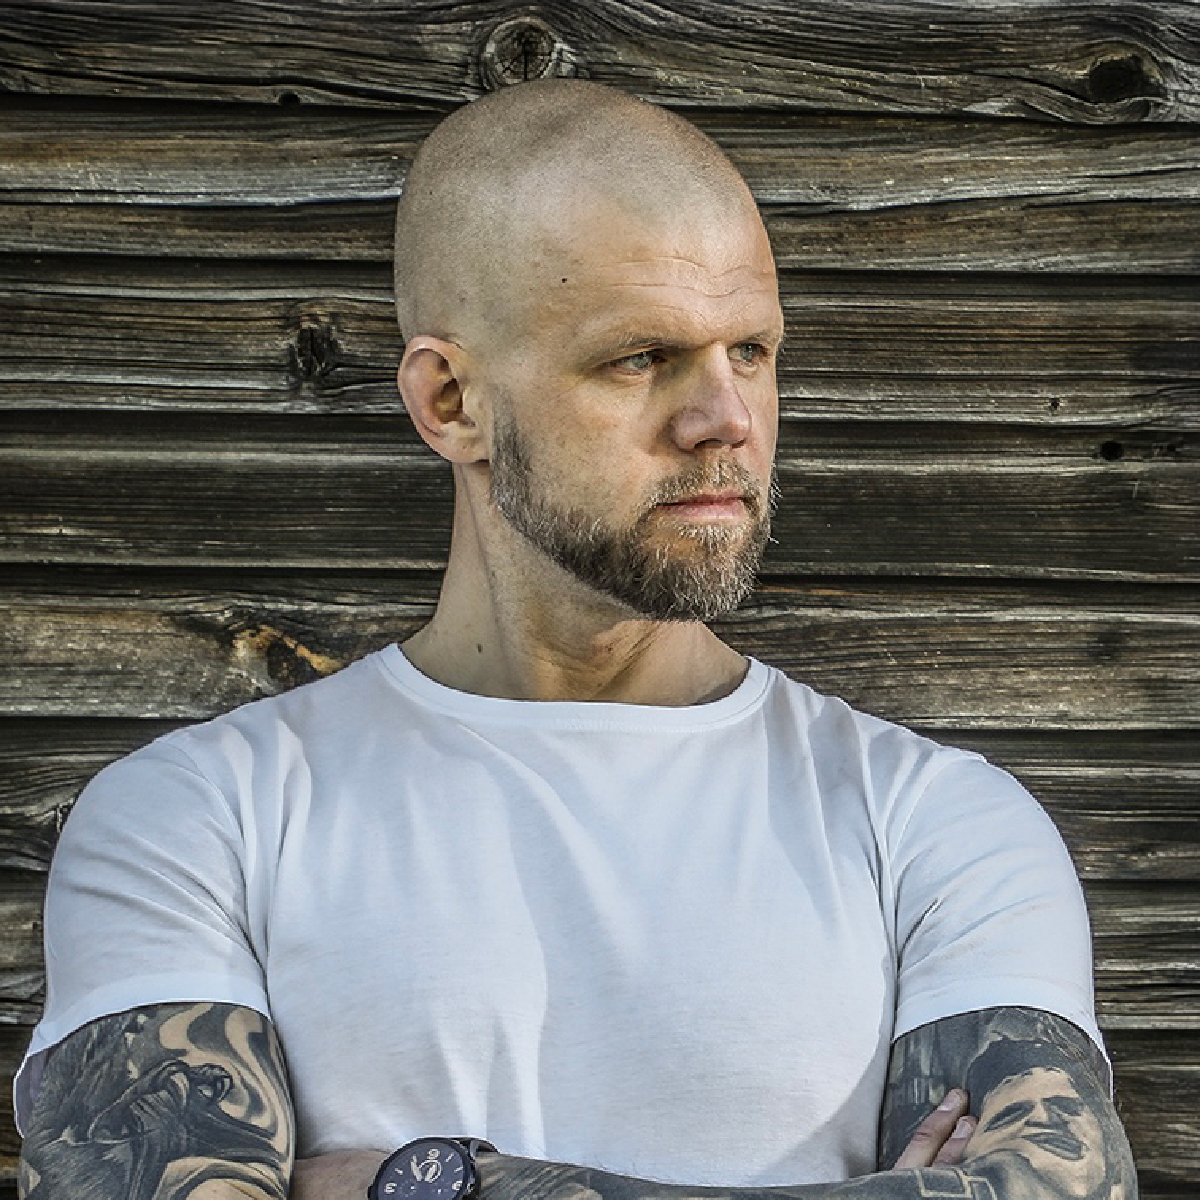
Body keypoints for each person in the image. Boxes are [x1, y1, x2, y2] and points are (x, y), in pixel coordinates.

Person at [15, 79, 1136, 1200]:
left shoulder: (936, 826)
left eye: (752, 350)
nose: (725, 419)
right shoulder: (199, 820)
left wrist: (432, 1186)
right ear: (451, 402)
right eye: (641, 357)